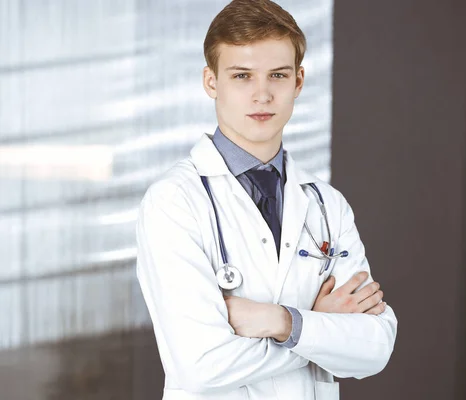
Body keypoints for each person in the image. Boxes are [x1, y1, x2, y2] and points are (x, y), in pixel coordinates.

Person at [135, 1, 397, 399]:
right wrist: (317, 330)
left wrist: (283, 322)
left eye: (277, 75)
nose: (262, 94)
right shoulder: (174, 202)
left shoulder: (326, 204)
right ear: (211, 82)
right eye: (242, 76)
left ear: (299, 82)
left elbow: (375, 346)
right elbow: (201, 365)